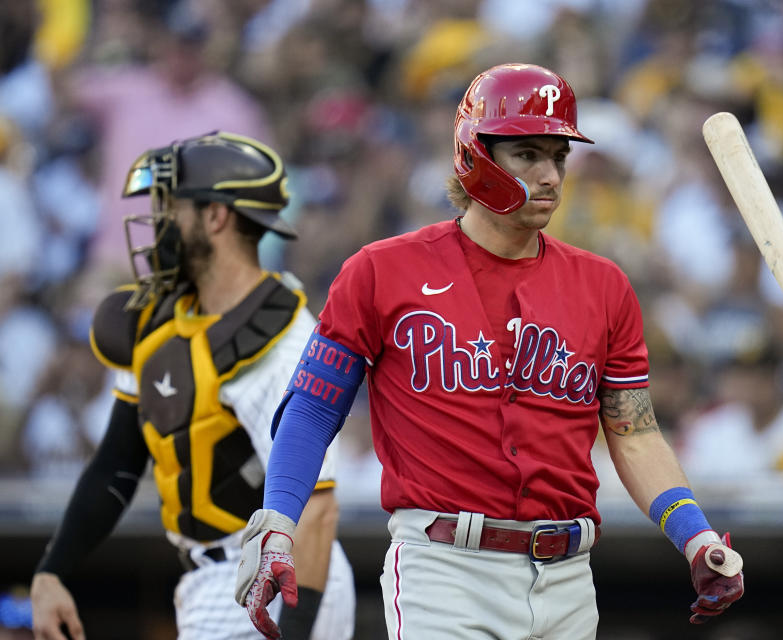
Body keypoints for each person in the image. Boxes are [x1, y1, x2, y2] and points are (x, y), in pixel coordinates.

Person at [235, 63, 744, 640]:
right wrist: (278, 520)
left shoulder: (604, 286)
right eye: (527, 153)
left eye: (558, 156)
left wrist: (695, 534)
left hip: (569, 576)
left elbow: (635, 431)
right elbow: (313, 407)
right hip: (445, 568)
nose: (550, 174)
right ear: (475, 155)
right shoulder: (381, 270)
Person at [29, 131, 355, 640]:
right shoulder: (165, 321)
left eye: (171, 206)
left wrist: (297, 630)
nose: (159, 223)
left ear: (215, 216)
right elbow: (118, 460)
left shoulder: (284, 343)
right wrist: (52, 571)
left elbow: (318, 509)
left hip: (276, 577)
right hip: (210, 579)